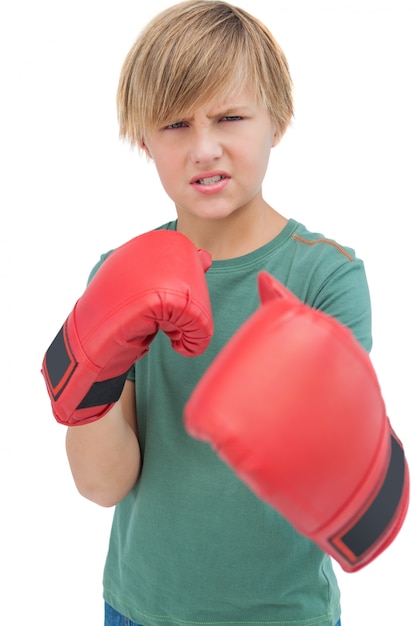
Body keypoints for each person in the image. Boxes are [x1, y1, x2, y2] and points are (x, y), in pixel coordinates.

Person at [40, 1, 408, 625]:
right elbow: (103, 486)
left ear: (277, 122)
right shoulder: (120, 275)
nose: (205, 147)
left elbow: (343, 476)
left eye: (230, 117)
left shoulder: (326, 275)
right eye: (176, 124)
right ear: (144, 139)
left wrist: (292, 393)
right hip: (138, 610)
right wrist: (94, 366)